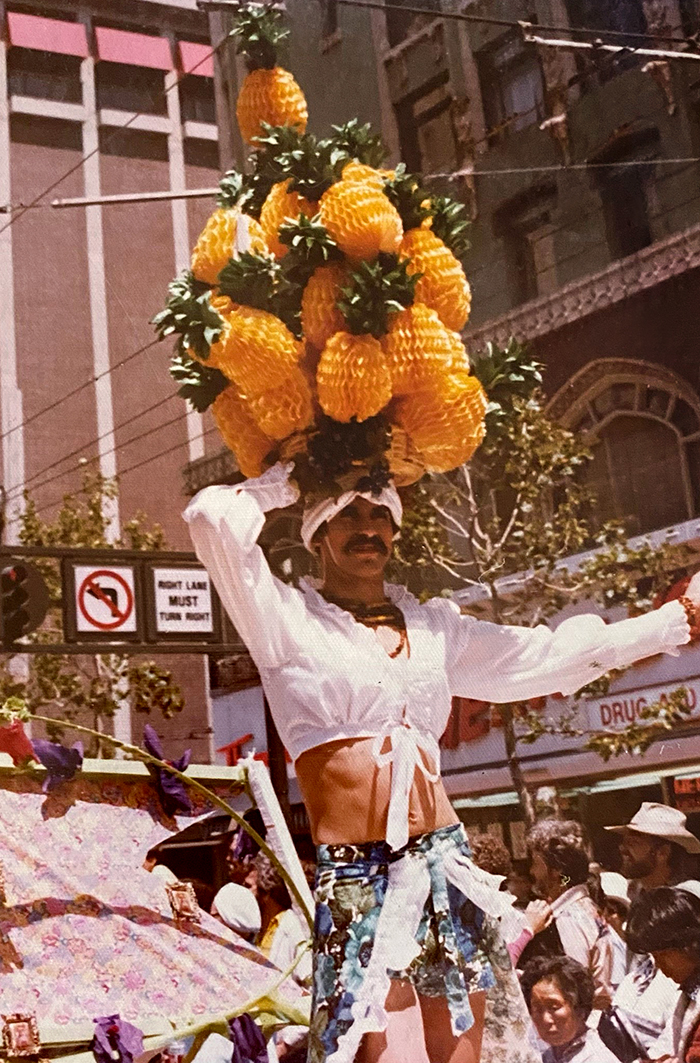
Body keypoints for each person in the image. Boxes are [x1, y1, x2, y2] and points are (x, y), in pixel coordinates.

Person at [185, 460, 699, 1063]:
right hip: (360, 875)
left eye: (381, 515)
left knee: (462, 1054)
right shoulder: (285, 621)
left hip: (445, 866)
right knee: (384, 1054)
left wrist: (676, 621)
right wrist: (299, 474)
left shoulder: (432, 629)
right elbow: (210, 518)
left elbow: (545, 656)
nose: (368, 528)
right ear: (316, 532)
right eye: (348, 513)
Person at [600, 806, 700, 1059]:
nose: (623, 849)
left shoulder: (690, 899)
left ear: (663, 852)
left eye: (634, 842)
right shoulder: (636, 897)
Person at [519, 819, 614, 1010]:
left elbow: (574, 985)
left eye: (536, 864)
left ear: (557, 871)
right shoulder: (583, 906)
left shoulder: (569, 918)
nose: (531, 871)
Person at [626, 886, 700, 1062]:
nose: (659, 965)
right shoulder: (687, 994)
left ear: (689, 944)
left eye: (663, 955)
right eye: (653, 957)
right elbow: (668, 1047)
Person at [520, 955, 620, 1063]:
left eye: (554, 1007)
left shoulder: (598, 1059)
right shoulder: (543, 1056)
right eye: (537, 1010)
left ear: (580, 1010)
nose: (546, 1019)